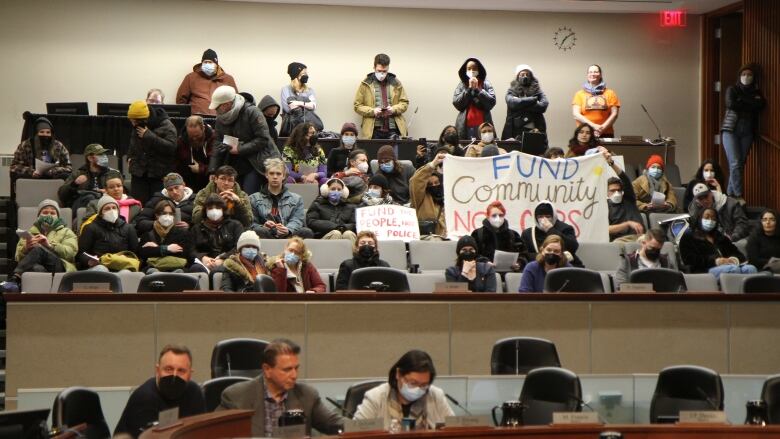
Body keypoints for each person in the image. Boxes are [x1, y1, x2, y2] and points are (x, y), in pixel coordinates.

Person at [218, 339, 344, 436]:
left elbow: (337, 424)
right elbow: (213, 434)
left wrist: (361, 426)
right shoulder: (236, 397)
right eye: (287, 370)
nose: (294, 375)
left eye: (296, 368)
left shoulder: (307, 396)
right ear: (267, 370)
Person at [114, 345, 205, 438]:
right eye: (168, 369)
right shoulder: (144, 399)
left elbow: (202, 431)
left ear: (190, 374)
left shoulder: (194, 392)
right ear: (157, 371)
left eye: (181, 371)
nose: (174, 376)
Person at [354, 349, 454, 429]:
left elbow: (455, 430)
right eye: (413, 383)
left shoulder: (436, 396)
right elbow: (354, 432)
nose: (418, 389)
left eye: (424, 385)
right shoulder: (375, 397)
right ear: (398, 374)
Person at [209, 85, 280, 195]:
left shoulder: (252, 112)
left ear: (226, 104)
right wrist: (213, 170)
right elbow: (217, 142)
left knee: (249, 196)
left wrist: (240, 149)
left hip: (255, 162)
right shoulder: (220, 118)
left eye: (217, 107)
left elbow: (263, 139)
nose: (215, 110)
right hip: (232, 162)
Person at [1, 200, 77, 293]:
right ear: (38, 216)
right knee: (36, 268)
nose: (49, 215)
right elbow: (17, 256)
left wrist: (49, 245)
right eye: (45, 212)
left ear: (58, 217)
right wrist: (26, 248)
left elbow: (70, 252)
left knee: (38, 249)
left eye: (52, 213)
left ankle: (15, 279)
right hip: (39, 268)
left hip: (60, 266)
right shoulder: (30, 232)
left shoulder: (67, 232)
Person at [721, 63, 765, 201]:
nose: (746, 77)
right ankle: (739, 197)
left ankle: (728, 197)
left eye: (750, 75)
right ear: (739, 76)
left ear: (754, 77)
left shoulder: (757, 92)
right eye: (744, 74)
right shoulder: (732, 89)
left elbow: (761, 105)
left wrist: (743, 101)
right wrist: (751, 102)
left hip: (747, 131)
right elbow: (731, 104)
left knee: (739, 165)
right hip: (731, 130)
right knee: (734, 163)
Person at [679, 207, 756, 278]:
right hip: (703, 270)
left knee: (751, 269)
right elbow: (689, 260)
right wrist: (715, 261)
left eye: (713, 218)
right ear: (700, 218)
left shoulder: (720, 237)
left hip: (728, 266)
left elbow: (738, 254)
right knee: (733, 270)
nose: (710, 220)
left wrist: (733, 259)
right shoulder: (689, 237)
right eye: (707, 217)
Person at [126, 100, 178, 205]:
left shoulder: (166, 125)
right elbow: (133, 144)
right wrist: (129, 157)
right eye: (131, 120)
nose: (133, 123)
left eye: (135, 121)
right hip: (139, 173)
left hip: (158, 174)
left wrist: (150, 136)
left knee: (158, 206)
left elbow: (171, 148)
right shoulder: (138, 124)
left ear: (144, 119)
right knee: (138, 205)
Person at [249, 158, 313, 239]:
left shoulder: (297, 199)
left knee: (306, 232)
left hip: (288, 236)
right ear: (266, 175)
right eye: (271, 173)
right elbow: (252, 223)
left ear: (283, 176)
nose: (275, 177)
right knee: (258, 231)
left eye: (278, 174)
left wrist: (288, 230)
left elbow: (297, 220)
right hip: (266, 235)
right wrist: (263, 226)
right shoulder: (253, 198)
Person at [353, 53, 409, 139]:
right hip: (373, 130)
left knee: (395, 152)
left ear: (388, 68)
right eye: (379, 71)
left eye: (384, 71)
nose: (382, 74)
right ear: (374, 68)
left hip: (393, 129)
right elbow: (357, 106)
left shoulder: (396, 83)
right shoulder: (365, 84)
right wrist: (372, 111)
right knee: (373, 152)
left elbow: (404, 103)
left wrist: (394, 109)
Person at [78, 195, 139, 271]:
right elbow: (81, 253)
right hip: (99, 265)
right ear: (100, 213)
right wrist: (89, 261)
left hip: (122, 265)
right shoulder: (90, 228)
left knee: (126, 272)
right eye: (107, 209)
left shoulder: (129, 228)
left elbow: (135, 253)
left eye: (114, 208)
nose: (111, 211)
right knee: (101, 269)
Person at [189, 194, 243, 273]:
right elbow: (191, 250)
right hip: (204, 264)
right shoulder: (196, 229)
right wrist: (202, 258)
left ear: (223, 210)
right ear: (205, 211)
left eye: (218, 208)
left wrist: (223, 259)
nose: (214, 211)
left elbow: (239, 248)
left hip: (228, 262)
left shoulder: (235, 225)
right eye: (210, 208)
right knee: (195, 268)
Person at [58, 143, 118, 213]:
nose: (104, 157)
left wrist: (110, 191)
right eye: (100, 154)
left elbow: (123, 191)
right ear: (90, 158)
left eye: (104, 154)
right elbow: (62, 195)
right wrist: (74, 184)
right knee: (90, 197)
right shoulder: (78, 173)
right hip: (83, 205)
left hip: (106, 204)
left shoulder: (112, 173)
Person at [176, 49, 238, 116]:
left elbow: (236, 101)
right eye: (205, 62)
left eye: (210, 62)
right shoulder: (191, 77)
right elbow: (181, 101)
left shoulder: (227, 79)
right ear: (201, 63)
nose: (207, 64)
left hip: (222, 119)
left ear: (216, 64)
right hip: (197, 119)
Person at [520, 201, 582, 267]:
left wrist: (550, 230)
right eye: (540, 217)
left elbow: (573, 247)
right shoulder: (528, 233)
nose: (544, 220)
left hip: (564, 266)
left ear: (553, 216)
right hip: (539, 266)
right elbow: (524, 254)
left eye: (548, 216)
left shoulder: (566, 228)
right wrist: (543, 257)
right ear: (536, 218)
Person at [10, 117, 71, 181]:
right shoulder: (25, 145)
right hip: (31, 176)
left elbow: (69, 167)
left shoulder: (58, 145)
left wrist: (53, 171)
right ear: (36, 133)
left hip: (52, 176)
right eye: (42, 132)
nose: (45, 134)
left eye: (48, 132)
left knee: (65, 176)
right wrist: (31, 171)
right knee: (15, 174)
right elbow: (14, 167)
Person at [138, 200, 192, 274]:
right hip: (153, 268)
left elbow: (183, 253)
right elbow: (142, 253)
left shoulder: (182, 233)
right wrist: (166, 249)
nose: (167, 216)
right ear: (157, 215)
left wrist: (155, 249)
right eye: (164, 213)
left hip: (176, 268)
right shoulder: (148, 233)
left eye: (170, 214)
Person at [603, 150, 645, 242]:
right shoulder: (604, 207)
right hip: (620, 241)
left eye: (618, 190)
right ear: (606, 192)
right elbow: (605, 229)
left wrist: (611, 163)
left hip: (640, 238)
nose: (616, 193)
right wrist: (627, 224)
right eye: (612, 191)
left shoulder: (629, 199)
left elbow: (624, 178)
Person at [470, 200, 526, 267]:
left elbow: (523, 254)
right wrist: (484, 262)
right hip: (485, 274)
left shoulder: (514, 235)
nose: (498, 218)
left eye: (501, 215)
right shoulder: (477, 234)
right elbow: (472, 255)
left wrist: (519, 263)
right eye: (494, 215)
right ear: (488, 216)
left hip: (508, 273)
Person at [502, 64, 549, 141]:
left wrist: (521, 103)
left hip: (535, 129)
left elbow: (543, 105)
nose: (525, 76)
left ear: (531, 77)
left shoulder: (538, 91)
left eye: (527, 74)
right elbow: (512, 103)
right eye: (522, 74)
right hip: (515, 131)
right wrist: (532, 100)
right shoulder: (511, 90)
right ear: (518, 76)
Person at [453, 57, 496, 140]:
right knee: (467, 151)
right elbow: (457, 103)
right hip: (466, 127)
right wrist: (468, 89)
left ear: (479, 70)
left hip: (484, 127)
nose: (472, 71)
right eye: (469, 69)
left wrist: (478, 90)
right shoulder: (462, 85)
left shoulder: (486, 84)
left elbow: (491, 103)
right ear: (465, 71)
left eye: (474, 68)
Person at [572, 64, 620, 138]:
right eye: (590, 72)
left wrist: (601, 129)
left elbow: (614, 114)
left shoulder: (610, 93)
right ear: (587, 75)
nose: (593, 74)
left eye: (595, 72)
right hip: (585, 134)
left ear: (600, 75)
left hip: (606, 133)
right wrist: (593, 126)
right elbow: (576, 114)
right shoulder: (579, 94)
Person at [410, 148, 447, 239]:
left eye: (436, 183)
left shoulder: (448, 198)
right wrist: (432, 165)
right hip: (427, 241)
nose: (434, 185)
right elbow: (415, 181)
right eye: (430, 184)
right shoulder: (421, 198)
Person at [175, 115, 216, 193]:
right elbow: (177, 163)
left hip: (208, 179)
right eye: (191, 136)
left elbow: (217, 163)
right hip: (188, 180)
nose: (194, 138)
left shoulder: (213, 138)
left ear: (203, 128)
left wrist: (201, 169)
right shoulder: (181, 140)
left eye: (197, 135)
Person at [280, 62, 323, 136]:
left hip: (308, 129)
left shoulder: (309, 90)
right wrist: (306, 104)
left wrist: (298, 103)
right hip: (291, 129)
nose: (306, 75)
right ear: (296, 75)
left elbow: (313, 106)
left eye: (306, 73)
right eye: (303, 73)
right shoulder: (285, 90)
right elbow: (288, 108)